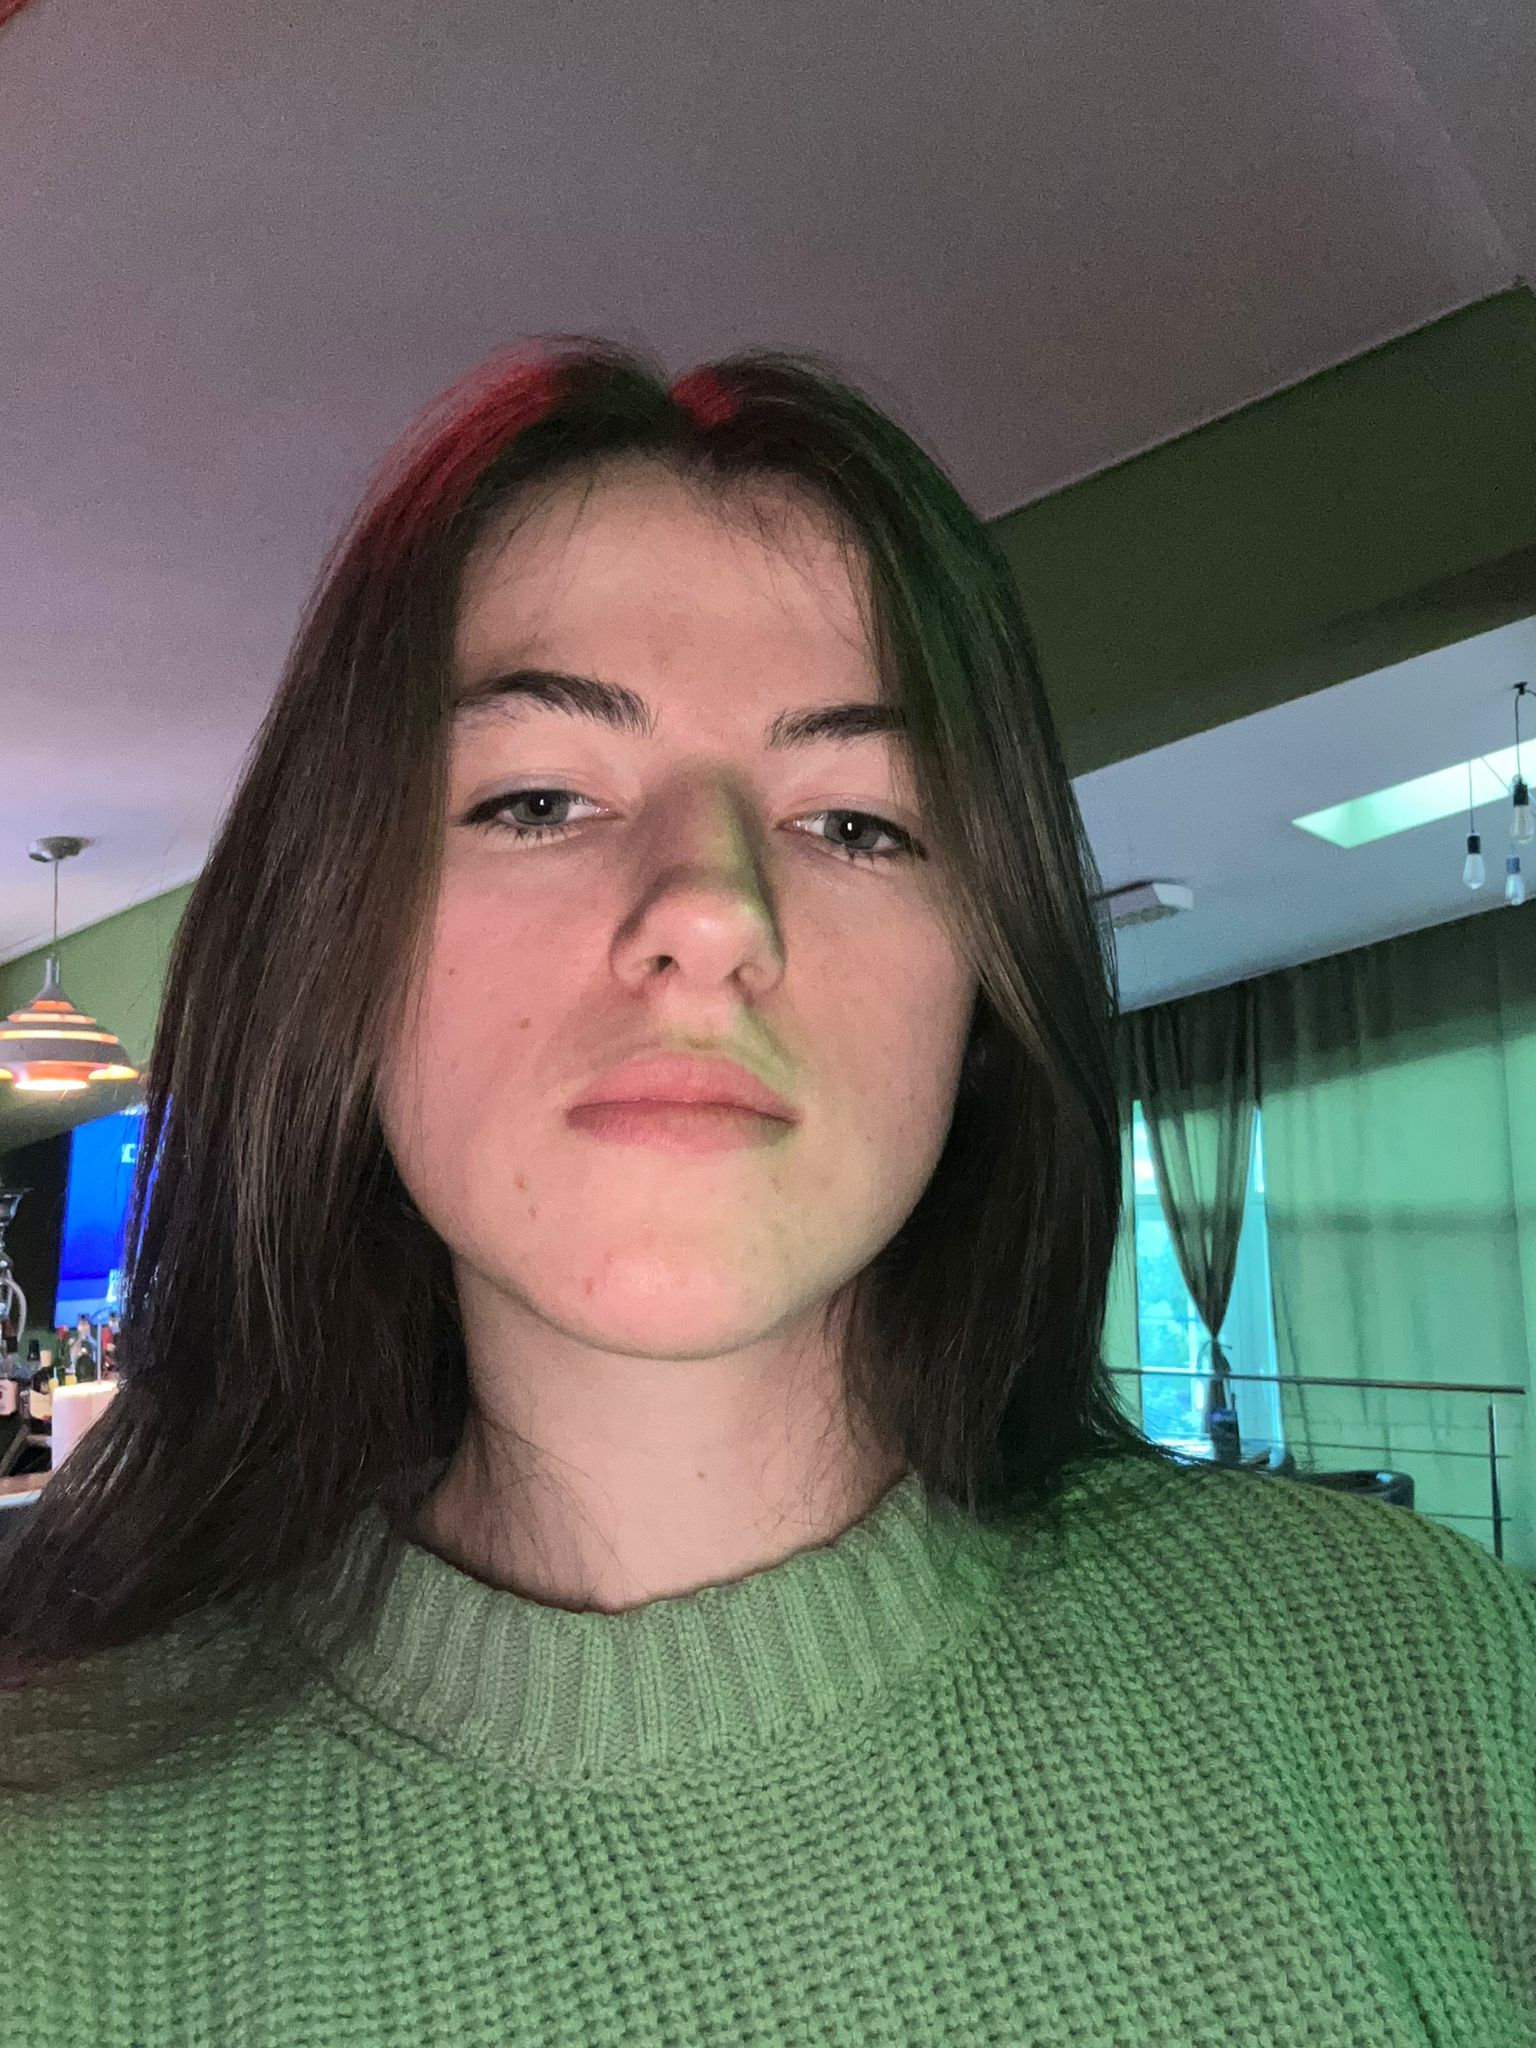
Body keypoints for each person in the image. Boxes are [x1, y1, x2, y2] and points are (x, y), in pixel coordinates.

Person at [0, 341, 1531, 2047]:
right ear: (330, 951)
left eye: (858, 824)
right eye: (535, 798)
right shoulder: (44, 1871)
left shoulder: (1429, 1669)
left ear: (985, 992)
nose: (710, 909)